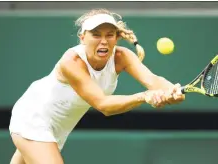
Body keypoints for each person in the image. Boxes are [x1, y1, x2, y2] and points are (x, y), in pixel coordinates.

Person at [9, 8, 185, 164]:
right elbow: (103, 105)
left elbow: (153, 80)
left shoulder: (122, 56)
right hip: (33, 116)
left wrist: (172, 91)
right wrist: (144, 96)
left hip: (59, 127)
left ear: (117, 38)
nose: (103, 41)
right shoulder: (72, 62)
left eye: (109, 34)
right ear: (82, 37)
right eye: (96, 34)